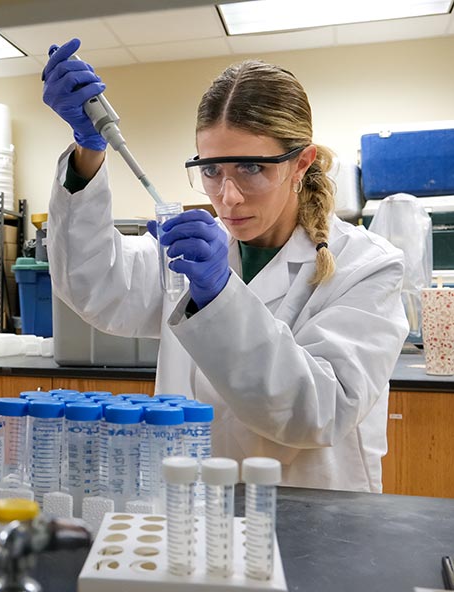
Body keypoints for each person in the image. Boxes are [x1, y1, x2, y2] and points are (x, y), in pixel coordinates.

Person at [42, 38, 408, 492]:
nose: (227, 197)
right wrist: (87, 153)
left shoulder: (368, 266)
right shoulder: (193, 255)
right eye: (212, 170)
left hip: (313, 519)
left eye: (252, 168)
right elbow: (95, 288)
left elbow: (317, 413)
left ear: (301, 164)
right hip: (189, 507)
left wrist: (219, 295)